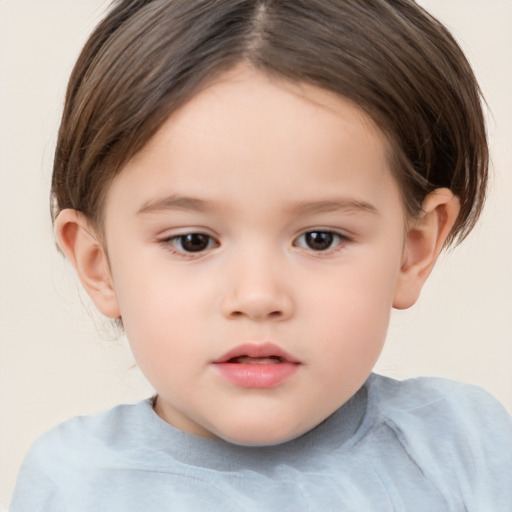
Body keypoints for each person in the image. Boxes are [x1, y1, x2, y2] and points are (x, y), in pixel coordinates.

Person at [10, 0, 512, 510]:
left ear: (413, 250)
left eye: (320, 239)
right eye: (193, 241)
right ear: (99, 264)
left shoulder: (463, 450)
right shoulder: (76, 486)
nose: (257, 296)